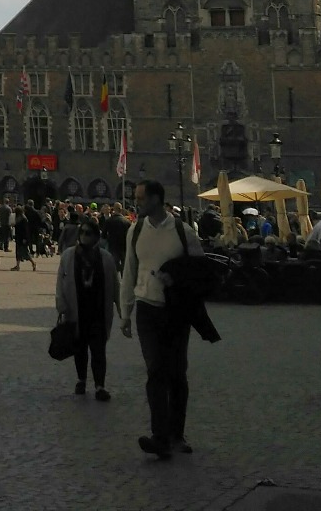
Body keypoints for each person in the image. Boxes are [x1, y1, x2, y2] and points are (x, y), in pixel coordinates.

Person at [120, 180, 203, 459]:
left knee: (177, 372)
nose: (137, 201)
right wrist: (125, 313)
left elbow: (199, 271)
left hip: (176, 310)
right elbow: (129, 273)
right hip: (147, 308)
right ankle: (160, 437)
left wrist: (177, 279)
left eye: (141, 197)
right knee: (155, 370)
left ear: (156, 199)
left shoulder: (183, 231)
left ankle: (177, 434)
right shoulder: (136, 230)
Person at [56, 215, 119, 401]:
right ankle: (81, 380)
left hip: (98, 311)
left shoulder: (106, 258)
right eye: (81, 232)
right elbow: (61, 281)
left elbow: (115, 284)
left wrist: (123, 311)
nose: (84, 236)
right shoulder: (68, 256)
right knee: (80, 348)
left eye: (88, 233)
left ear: (96, 237)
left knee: (99, 349)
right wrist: (61, 305)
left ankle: (100, 385)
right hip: (77, 310)